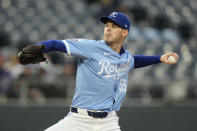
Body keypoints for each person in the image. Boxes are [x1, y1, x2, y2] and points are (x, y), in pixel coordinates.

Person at [21, 12, 179, 131]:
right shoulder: (90, 47)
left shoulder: (126, 58)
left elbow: (135, 61)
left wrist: (159, 58)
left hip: (108, 123)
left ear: (125, 32)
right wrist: (41, 46)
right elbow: (56, 44)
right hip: (78, 121)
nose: (108, 29)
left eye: (114, 26)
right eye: (106, 26)